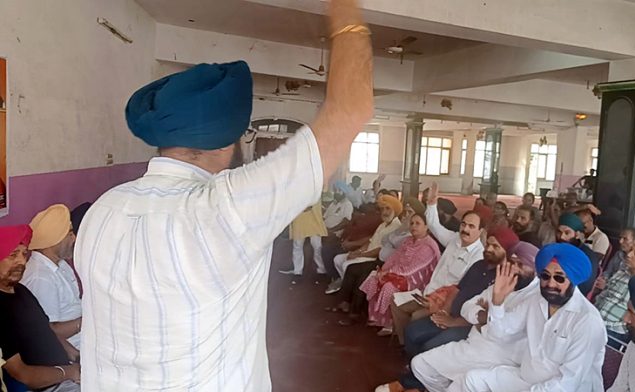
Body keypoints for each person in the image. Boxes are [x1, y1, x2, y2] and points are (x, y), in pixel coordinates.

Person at [74, 0, 374, 389]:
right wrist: (345, 10)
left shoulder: (102, 211)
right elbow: (351, 107)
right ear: (224, 144)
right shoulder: (225, 208)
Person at [458, 243, 606, 392]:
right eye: (545, 276)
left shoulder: (587, 321)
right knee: (471, 380)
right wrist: (497, 301)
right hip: (526, 380)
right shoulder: (536, 300)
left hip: (559, 389)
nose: (550, 284)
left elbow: (567, 384)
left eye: (559, 278)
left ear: (573, 281)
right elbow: (498, 333)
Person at [403, 242, 540, 392]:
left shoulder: (535, 297)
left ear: (535, 269)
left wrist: (492, 309)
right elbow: (467, 307)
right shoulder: (503, 280)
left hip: (498, 355)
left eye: (521, 265)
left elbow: (500, 332)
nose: (514, 269)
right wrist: (485, 316)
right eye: (512, 262)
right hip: (473, 343)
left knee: (460, 384)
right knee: (420, 364)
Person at [389, 183, 484, 344]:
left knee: (415, 316)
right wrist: (431, 204)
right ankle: (403, 343)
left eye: (471, 226)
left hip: (444, 302)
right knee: (396, 302)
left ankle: (411, 349)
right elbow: (433, 225)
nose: (465, 229)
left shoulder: (478, 257)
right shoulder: (454, 240)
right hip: (427, 292)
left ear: (480, 231)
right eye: (463, 224)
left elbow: (459, 290)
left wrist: (434, 302)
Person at [402, 227, 519, 357]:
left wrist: (452, 322)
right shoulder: (479, 265)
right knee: (411, 331)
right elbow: (456, 290)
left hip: (468, 326)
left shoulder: (505, 278)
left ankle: (424, 371)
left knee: (429, 347)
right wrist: (445, 311)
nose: (489, 249)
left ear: (507, 251)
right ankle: (414, 365)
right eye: (488, 244)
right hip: (451, 314)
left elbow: (486, 316)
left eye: (496, 246)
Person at [0, 225, 81, 391]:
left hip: (65, 373)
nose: (21, 261)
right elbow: (22, 374)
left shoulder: (21, 291)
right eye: (13, 255)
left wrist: (78, 358)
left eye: (23, 254)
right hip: (49, 386)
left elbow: (48, 330)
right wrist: (69, 373)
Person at [327, 198, 423, 325]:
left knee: (363, 276)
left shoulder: (409, 231)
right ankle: (345, 302)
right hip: (382, 261)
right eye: (405, 212)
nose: (406, 215)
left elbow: (393, 243)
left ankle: (354, 314)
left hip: (392, 267)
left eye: (409, 212)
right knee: (352, 269)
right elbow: (385, 240)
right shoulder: (400, 228)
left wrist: (401, 229)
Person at [360, 213, 440, 336]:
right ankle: (377, 318)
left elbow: (411, 270)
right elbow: (394, 257)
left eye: (418, 223)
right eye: (412, 223)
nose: (413, 226)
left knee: (388, 287)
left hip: (415, 281)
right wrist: (383, 271)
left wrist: (389, 273)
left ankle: (390, 324)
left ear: (426, 226)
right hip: (397, 274)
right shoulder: (408, 241)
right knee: (375, 278)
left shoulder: (428, 246)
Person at [21, 205, 82, 357]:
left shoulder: (60, 264)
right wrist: (88, 319)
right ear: (54, 239)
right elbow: (51, 331)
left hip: (86, 336)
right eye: (69, 233)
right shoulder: (41, 278)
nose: (74, 238)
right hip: (73, 347)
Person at [327, 195, 401, 294]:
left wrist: (360, 255)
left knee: (346, 264)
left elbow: (380, 250)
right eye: (382, 209)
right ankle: (346, 285)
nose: (384, 212)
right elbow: (370, 241)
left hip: (374, 258)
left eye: (388, 208)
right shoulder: (382, 224)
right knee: (337, 259)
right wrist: (357, 251)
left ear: (395, 210)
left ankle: (347, 291)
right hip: (366, 253)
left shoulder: (396, 227)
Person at [594, 242, 635, 347]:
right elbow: (606, 294)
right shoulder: (623, 270)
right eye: (631, 250)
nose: (629, 254)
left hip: (612, 331)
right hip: (594, 318)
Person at [280, 202, 328, 279]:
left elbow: (324, 190)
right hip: (299, 219)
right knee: (297, 246)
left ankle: (322, 269)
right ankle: (297, 271)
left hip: (314, 217)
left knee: (317, 246)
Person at [556, 213, 600, 295]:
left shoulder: (586, 256)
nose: (561, 237)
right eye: (559, 232)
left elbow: (583, 288)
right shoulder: (558, 250)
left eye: (567, 233)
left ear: (577, 235)